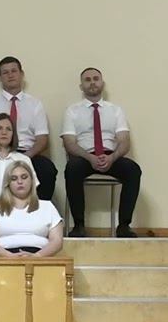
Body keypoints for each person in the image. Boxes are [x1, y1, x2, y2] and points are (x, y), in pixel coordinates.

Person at [60, 67, 142, 238]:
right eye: (87, 80)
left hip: (111, 156)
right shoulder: (72, 111)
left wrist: (112, 157)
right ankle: (79, 225)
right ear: (81, 86)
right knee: (72, 169)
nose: (92, 83)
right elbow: (69, 143)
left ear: (102, 83)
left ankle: (124, 226)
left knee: (133, 169)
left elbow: (124, 141)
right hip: (84, 156)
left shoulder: (116, 110)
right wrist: (90, 157)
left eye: (96, 79)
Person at [0, 56, 56, 200]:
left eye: (14, 71)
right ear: (0, 78)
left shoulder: (35, 104)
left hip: (28, 153)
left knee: (47, 169)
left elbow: (42, 139)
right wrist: (1, 155)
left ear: (21, 74)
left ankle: (38, 210)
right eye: (5, 72)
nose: (10, 75)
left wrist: (24, 158)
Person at [0, 160, 63, 257]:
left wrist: (36, 256)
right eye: (14, 179)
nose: (20, 182)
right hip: (4, 258)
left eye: (24, 177)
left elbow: (57, 241)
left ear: (32, 180)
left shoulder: (48, 206)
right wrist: (10, 256)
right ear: (8, 183)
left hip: (40, 258)